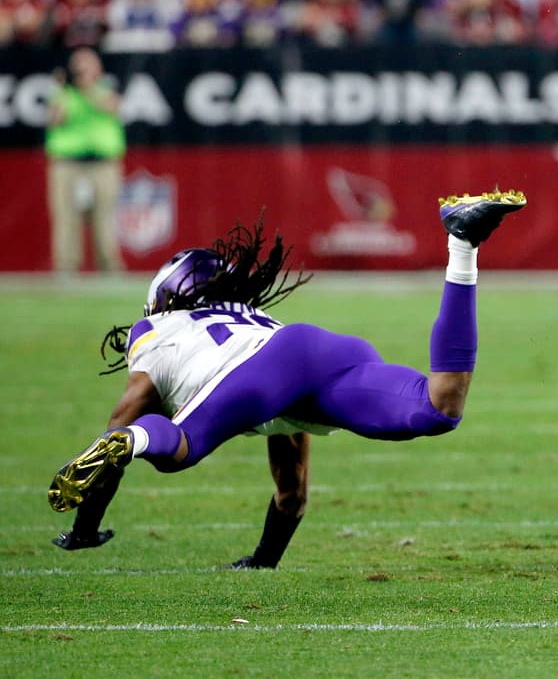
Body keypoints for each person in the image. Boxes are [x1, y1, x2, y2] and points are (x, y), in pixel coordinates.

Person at [47, 190, 527, 568]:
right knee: (438, 408)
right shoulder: (251, 318)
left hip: (259, 373)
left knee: (175, 450)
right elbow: (292, 492)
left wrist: (88, 521)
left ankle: (136, 442)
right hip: (318, 351)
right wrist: (263, 562)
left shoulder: (157, 329)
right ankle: (461, 244)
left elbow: (119, 420)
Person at [46, 47, 126, 273]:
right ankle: (66, 267)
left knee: (105, 218)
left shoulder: (106, 88)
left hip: (103, 162)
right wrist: (63, 90)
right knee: (66, 217)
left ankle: (109, 267)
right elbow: (55, 119)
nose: (82, 70)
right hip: (67, 162)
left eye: (87, 64)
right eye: (78, 65)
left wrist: (88, 87)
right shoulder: (63, 92)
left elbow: (111, 107)